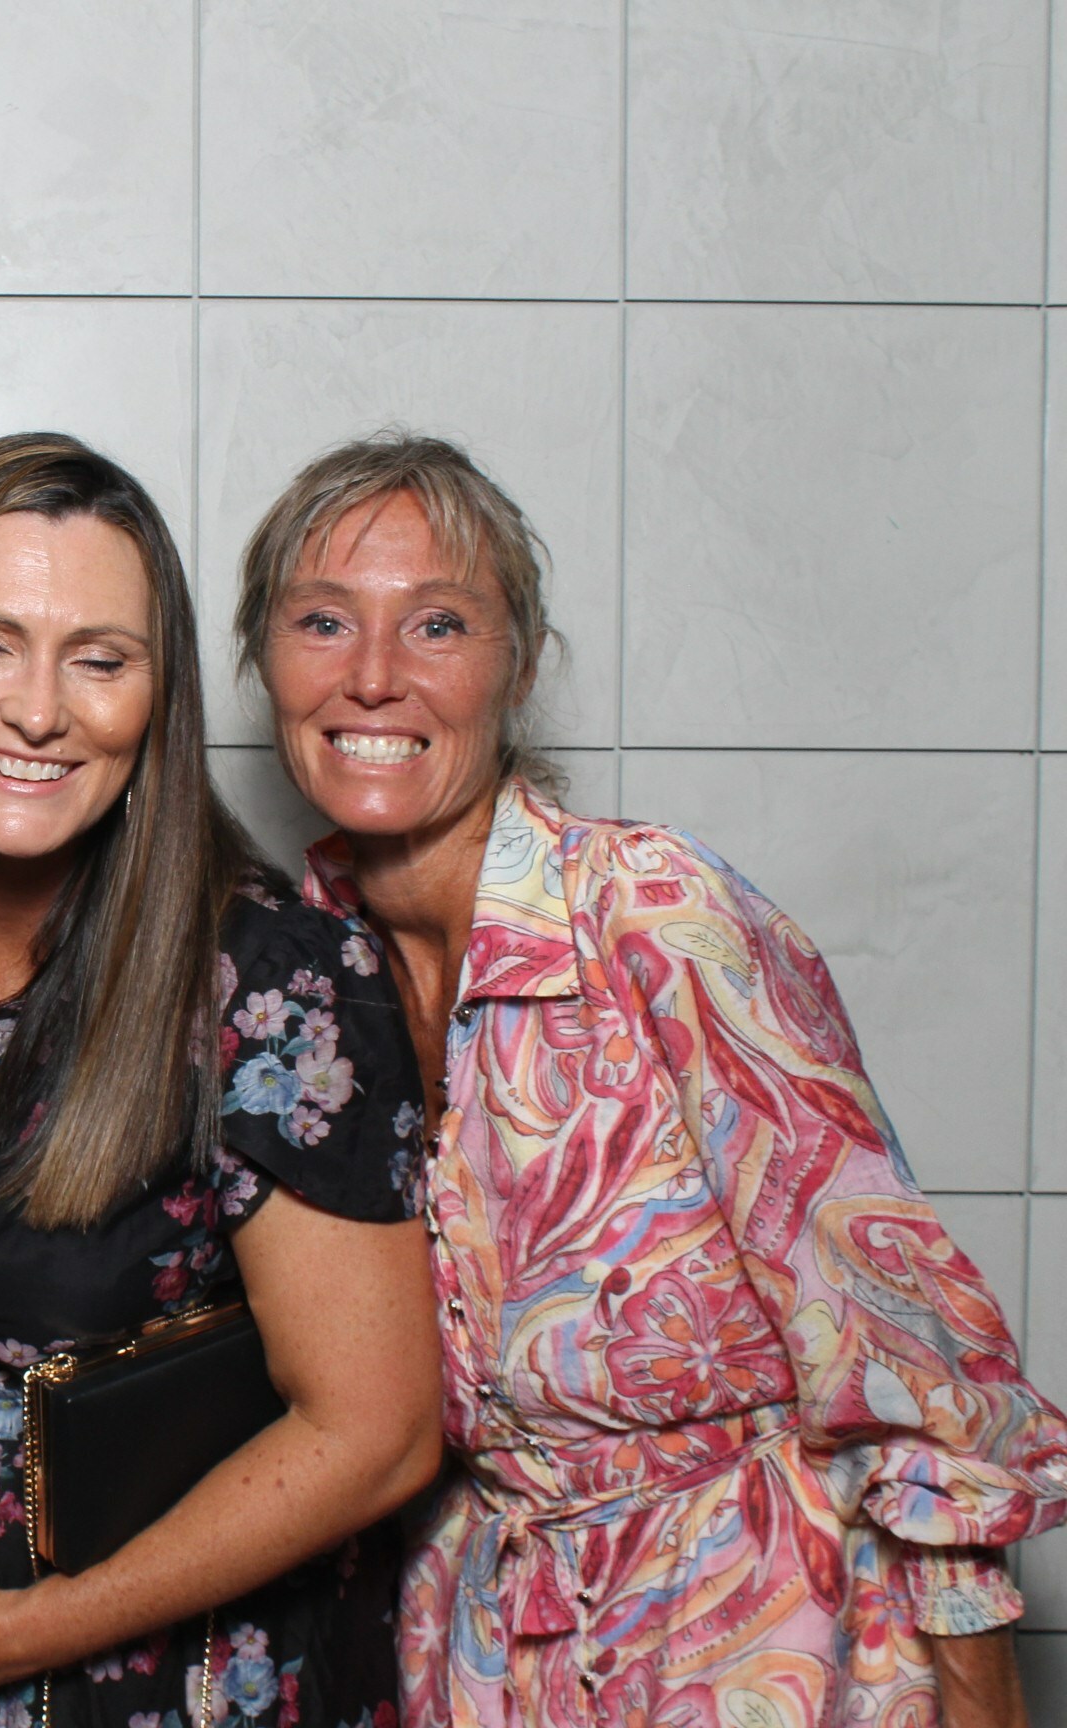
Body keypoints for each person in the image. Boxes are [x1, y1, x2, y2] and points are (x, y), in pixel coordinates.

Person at [235, 430, 1067, 1728]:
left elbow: (898, 1333)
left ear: (520, 666)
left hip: (770, 1643)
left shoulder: (652, 914)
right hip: (483, 1656)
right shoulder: (292, 989)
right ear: (263, 660)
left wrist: (981, 1691)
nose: (376, 675)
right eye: (323, 620)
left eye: (439, 624)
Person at [0, 431, 443, 1728]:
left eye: (101, 660)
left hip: (167, 1683)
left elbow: (375, 1435)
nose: (40, 710)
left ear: (158, 698)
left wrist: (21, 1635)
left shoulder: (272, 981)